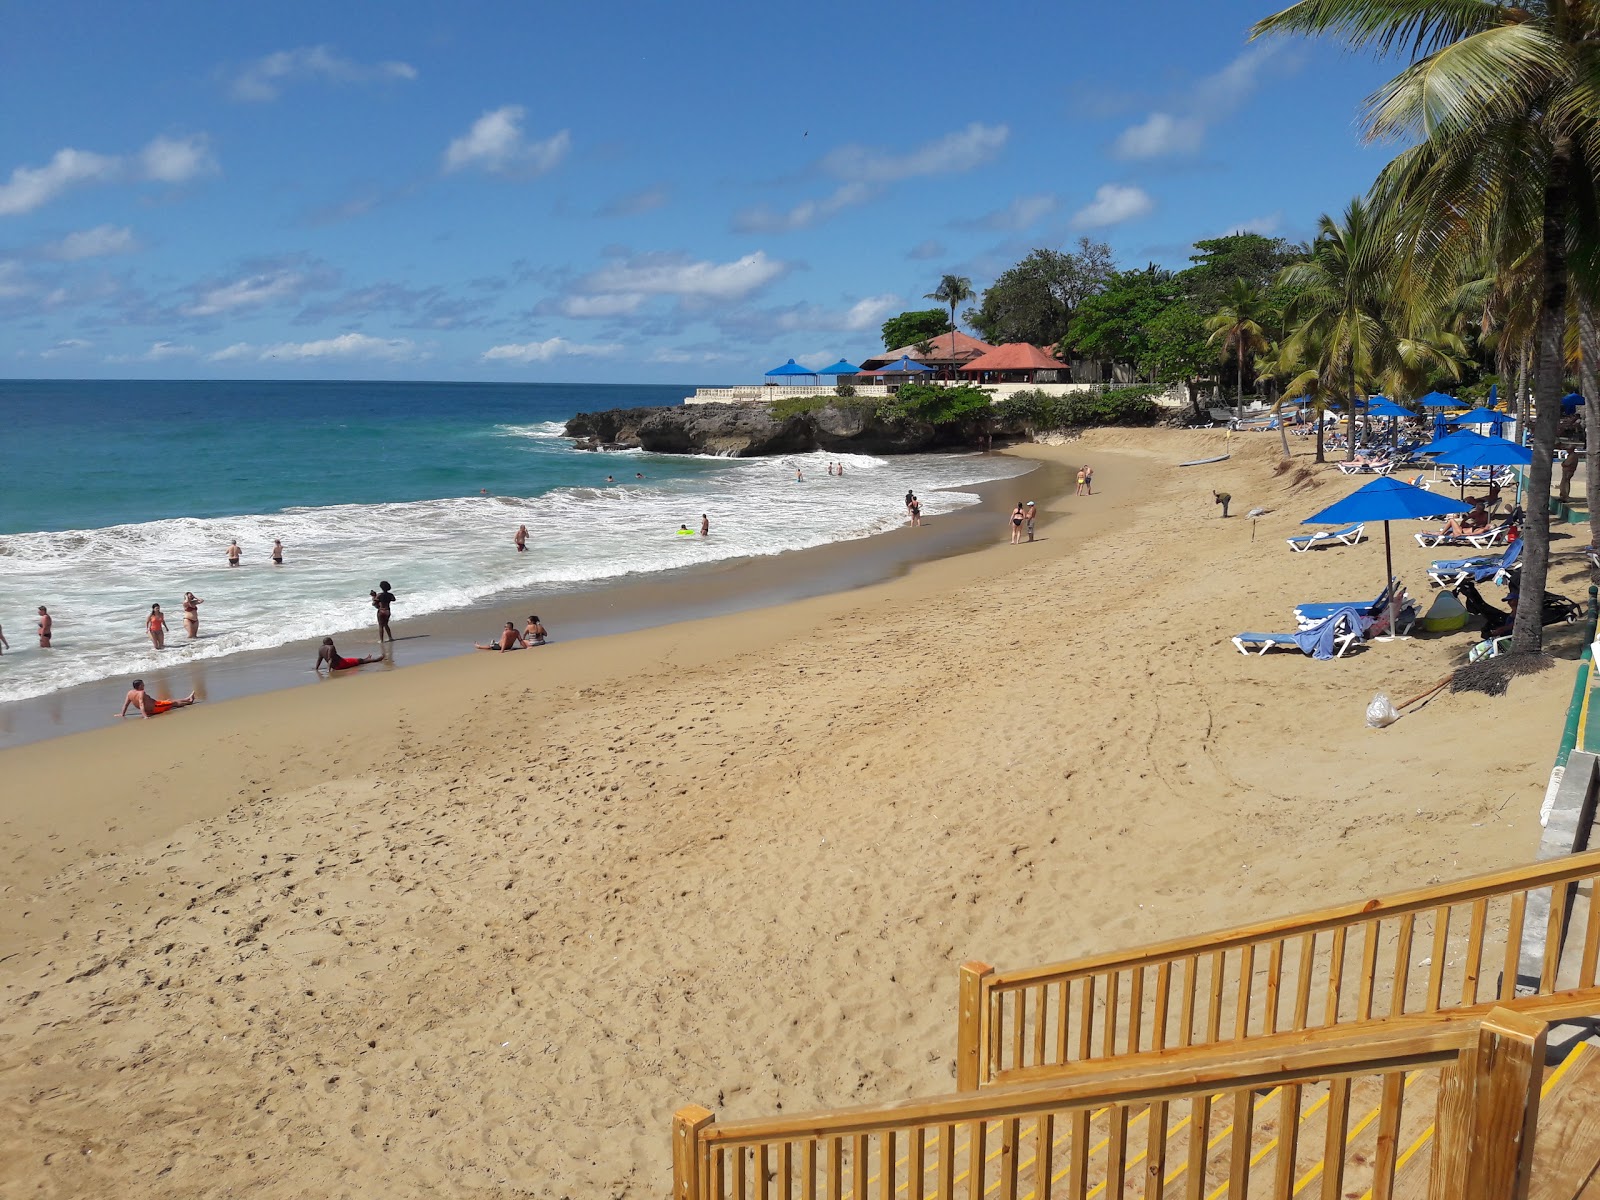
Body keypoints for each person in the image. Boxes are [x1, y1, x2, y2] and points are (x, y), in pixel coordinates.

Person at [118, 679, 197, 718]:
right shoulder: (141, 693)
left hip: (155, 706)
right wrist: (145, 716)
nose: (144, 685)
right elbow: (141, 704)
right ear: (139, 686)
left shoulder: (129, 693)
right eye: (142, 685)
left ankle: (187, 698)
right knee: (172, 703)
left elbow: (125, 705)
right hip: (155, 709)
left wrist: (122, 714)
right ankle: (189, 701)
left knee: (168, 701)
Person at [314, 637, 383, 673]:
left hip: (339, 663)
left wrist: (316, 668)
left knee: (357, 659)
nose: (332, 642)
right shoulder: (331, 647)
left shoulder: (320, 649)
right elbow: (330, 659)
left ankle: (366, 658)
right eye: (331, 641)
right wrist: (328, 670)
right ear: (329, 642)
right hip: (341, 664)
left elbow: (319, 660)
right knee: (359, 661)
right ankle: (376, 659)